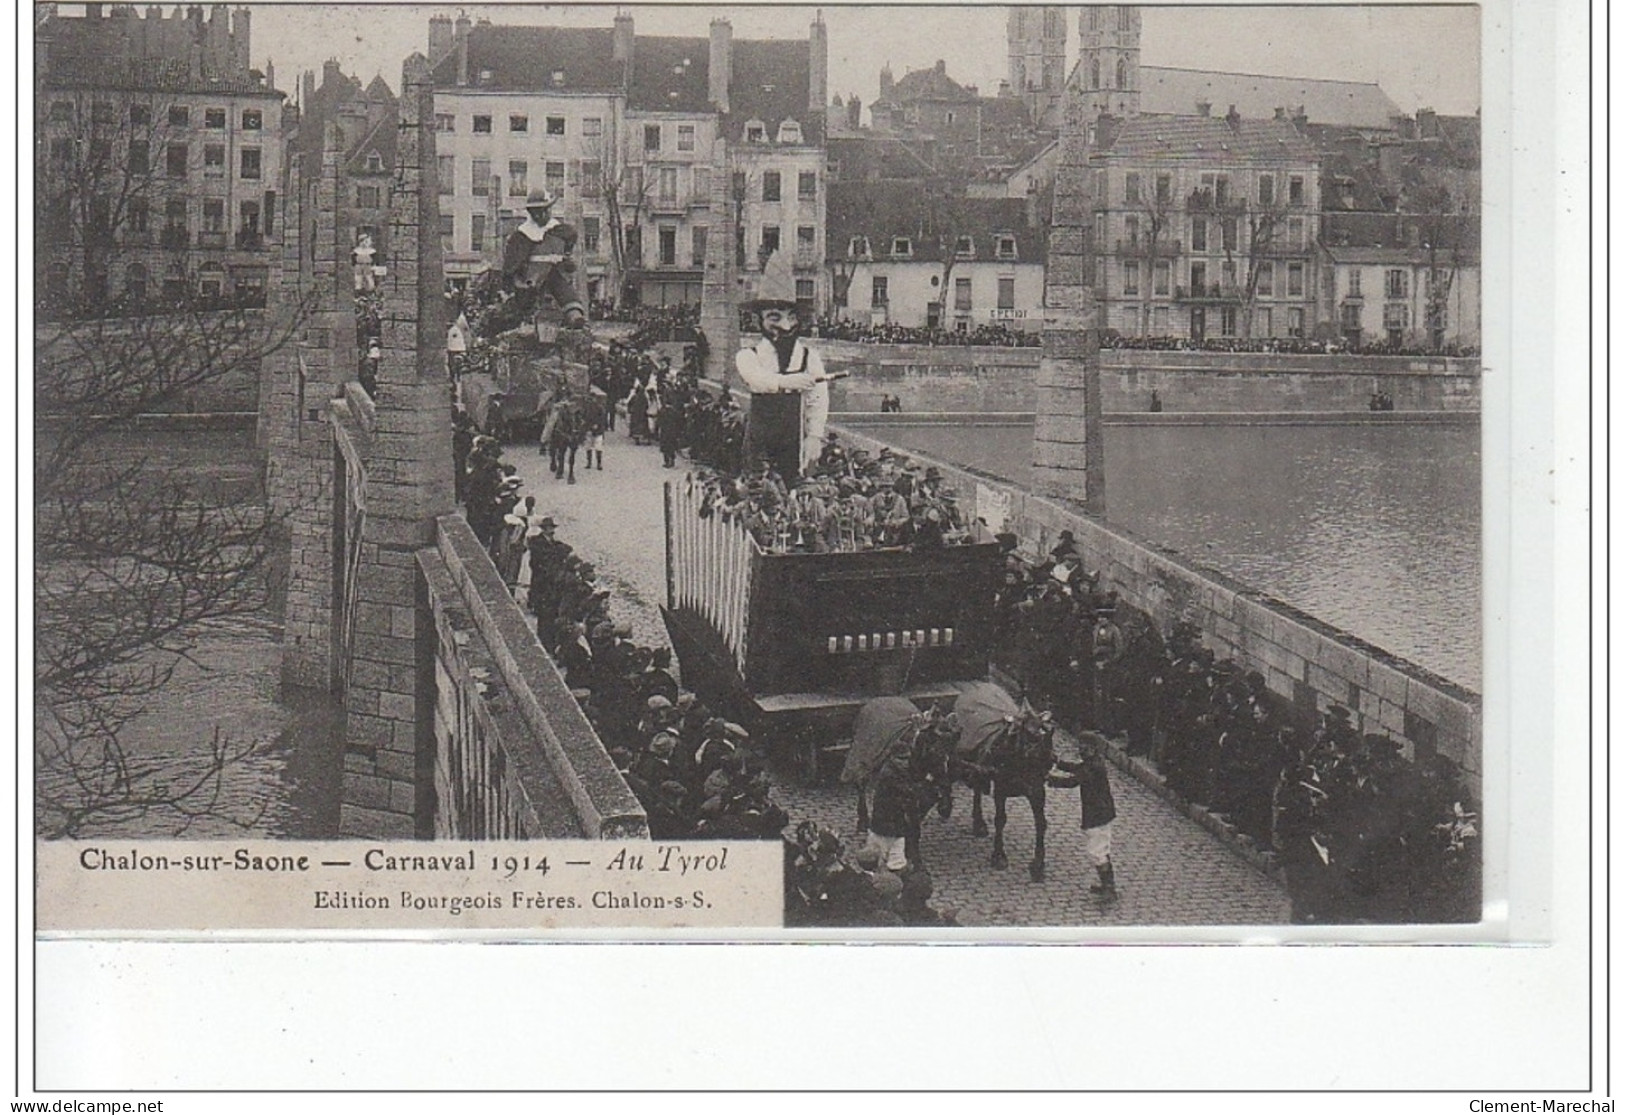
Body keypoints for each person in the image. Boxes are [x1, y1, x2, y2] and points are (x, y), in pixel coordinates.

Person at [734, 250, 845, 485]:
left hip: (792, 443)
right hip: (758, 442)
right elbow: (756, 380)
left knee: (792, 490)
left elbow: (818, 398)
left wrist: (814, 436)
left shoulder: (809, 357)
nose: (785, 326)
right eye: (775, 318)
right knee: (758, 490)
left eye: (791, 318)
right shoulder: (748, 356)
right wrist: (788, 382)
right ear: (759, 321)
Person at [492, 186, 586, 336]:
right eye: (536, 212)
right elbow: (511, 267)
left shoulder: (560, 232)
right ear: (531, 213)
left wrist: (565, 261)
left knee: (561, 286)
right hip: (528, 283)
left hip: (554, 277)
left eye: (545, 210)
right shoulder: (521, 237)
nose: (541, 215)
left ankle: (574, 313)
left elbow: (566, 256)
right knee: (521, 306)